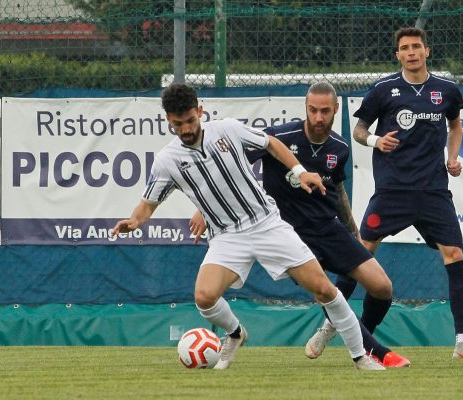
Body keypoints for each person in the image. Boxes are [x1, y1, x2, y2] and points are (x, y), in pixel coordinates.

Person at [111, 83, 382, 370]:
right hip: (227, 236)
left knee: (324, 290)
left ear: (200, 111)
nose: (186, 128)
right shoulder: (168, 161)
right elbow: (148, 204)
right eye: (178, 124)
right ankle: (236, 333)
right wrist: (134, 221)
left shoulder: (227, 129)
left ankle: (360, 357)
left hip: (265, 223)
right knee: (204, 297)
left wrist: (300, 172)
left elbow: (272, 144)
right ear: (168, 121)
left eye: (191, 120)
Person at [243, 82, 410, 368]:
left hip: (328, 228)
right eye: (312, 110)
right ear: (305, 108)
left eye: (325, 111)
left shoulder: (339, 147)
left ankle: (349, 334)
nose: (318, 117)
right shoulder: (280, 137)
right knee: (325, 291)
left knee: (382, 287)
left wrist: (354, 234)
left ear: (335, 110)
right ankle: (377, 352)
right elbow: (237, 166)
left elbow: (339, 192)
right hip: (288, 235)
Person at [351, 27, 463, 360]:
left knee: (454, 255)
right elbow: (359, 130)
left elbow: (455, 126)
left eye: (416, 47)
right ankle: (332, 329)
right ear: (397, 54)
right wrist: (375, 141)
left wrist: (453, 157)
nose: (411, 52)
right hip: (392, 191)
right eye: (405, 48)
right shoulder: (383, 89)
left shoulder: (446, 90)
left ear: (427, 51)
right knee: (359, 255)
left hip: (432, 191)